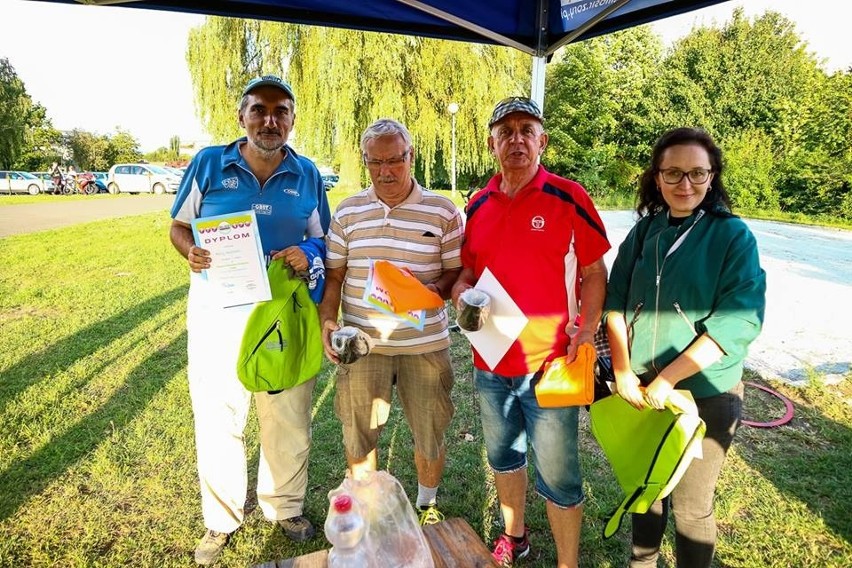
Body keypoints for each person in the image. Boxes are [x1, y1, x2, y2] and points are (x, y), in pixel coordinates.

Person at [169, 74, 331, 566]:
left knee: (286, 416)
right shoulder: (209, 163)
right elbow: (178, 226)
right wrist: (191, 251)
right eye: (259, 110)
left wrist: (306, 251)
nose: (269, 120)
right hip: (218, 314)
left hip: (281, 314)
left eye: (281, 111)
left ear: (292, 120)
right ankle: (220, 520)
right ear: (241, 117)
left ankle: (285, 506)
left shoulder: (308, 175)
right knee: (220, 418)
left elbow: (325, 240)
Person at [451, 97, 610, 568]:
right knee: (503, 458)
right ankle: (514, 536)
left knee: (559, 476)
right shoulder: (476, 203)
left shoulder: (568, 196)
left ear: (542, 141)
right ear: (491, 143)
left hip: (549, 365)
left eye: (527, 130)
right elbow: (466, 273)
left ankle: (567, 562)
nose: (516, 139)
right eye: (506, 131)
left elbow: (595, 270)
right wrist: (461, 293)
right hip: (490, 363)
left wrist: (589, 327)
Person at [603, 127, 766, 568]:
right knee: (647, 489)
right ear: (656, 178)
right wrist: (623, 372)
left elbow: (738, 322)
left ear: (712, 177)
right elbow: (613, 304)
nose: (685, 184)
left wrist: (669, 378)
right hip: (641, 392)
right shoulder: (643, 234)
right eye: (673, 173)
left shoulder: (732, 237)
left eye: (697, 173)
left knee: (692, 506)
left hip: (705, 395)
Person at [318, 118, 463, 526]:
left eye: (395, 161)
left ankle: (426, 504)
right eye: (375, 162)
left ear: (410, 156)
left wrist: (430, 286)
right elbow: (335, 275)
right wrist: (328, 320)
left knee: (430, 430)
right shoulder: (348, 211)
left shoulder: (442, 211)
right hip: (363, 346)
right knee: (359, 432)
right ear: (365, 161)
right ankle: (366, 506)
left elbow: (456, 272)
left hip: (424, 345)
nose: (385, 171)